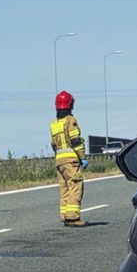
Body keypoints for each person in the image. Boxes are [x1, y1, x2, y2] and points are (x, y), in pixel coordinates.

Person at [50, 90, 88, 227]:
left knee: (64, 187)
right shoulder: (70, 120)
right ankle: (73, 218)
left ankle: (65, 216)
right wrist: (82, 157)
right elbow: (75, 140)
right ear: (70, 104)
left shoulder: (55, 124)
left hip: (59, 161)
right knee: (75, 185)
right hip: (71, 160)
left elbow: (54, 144)